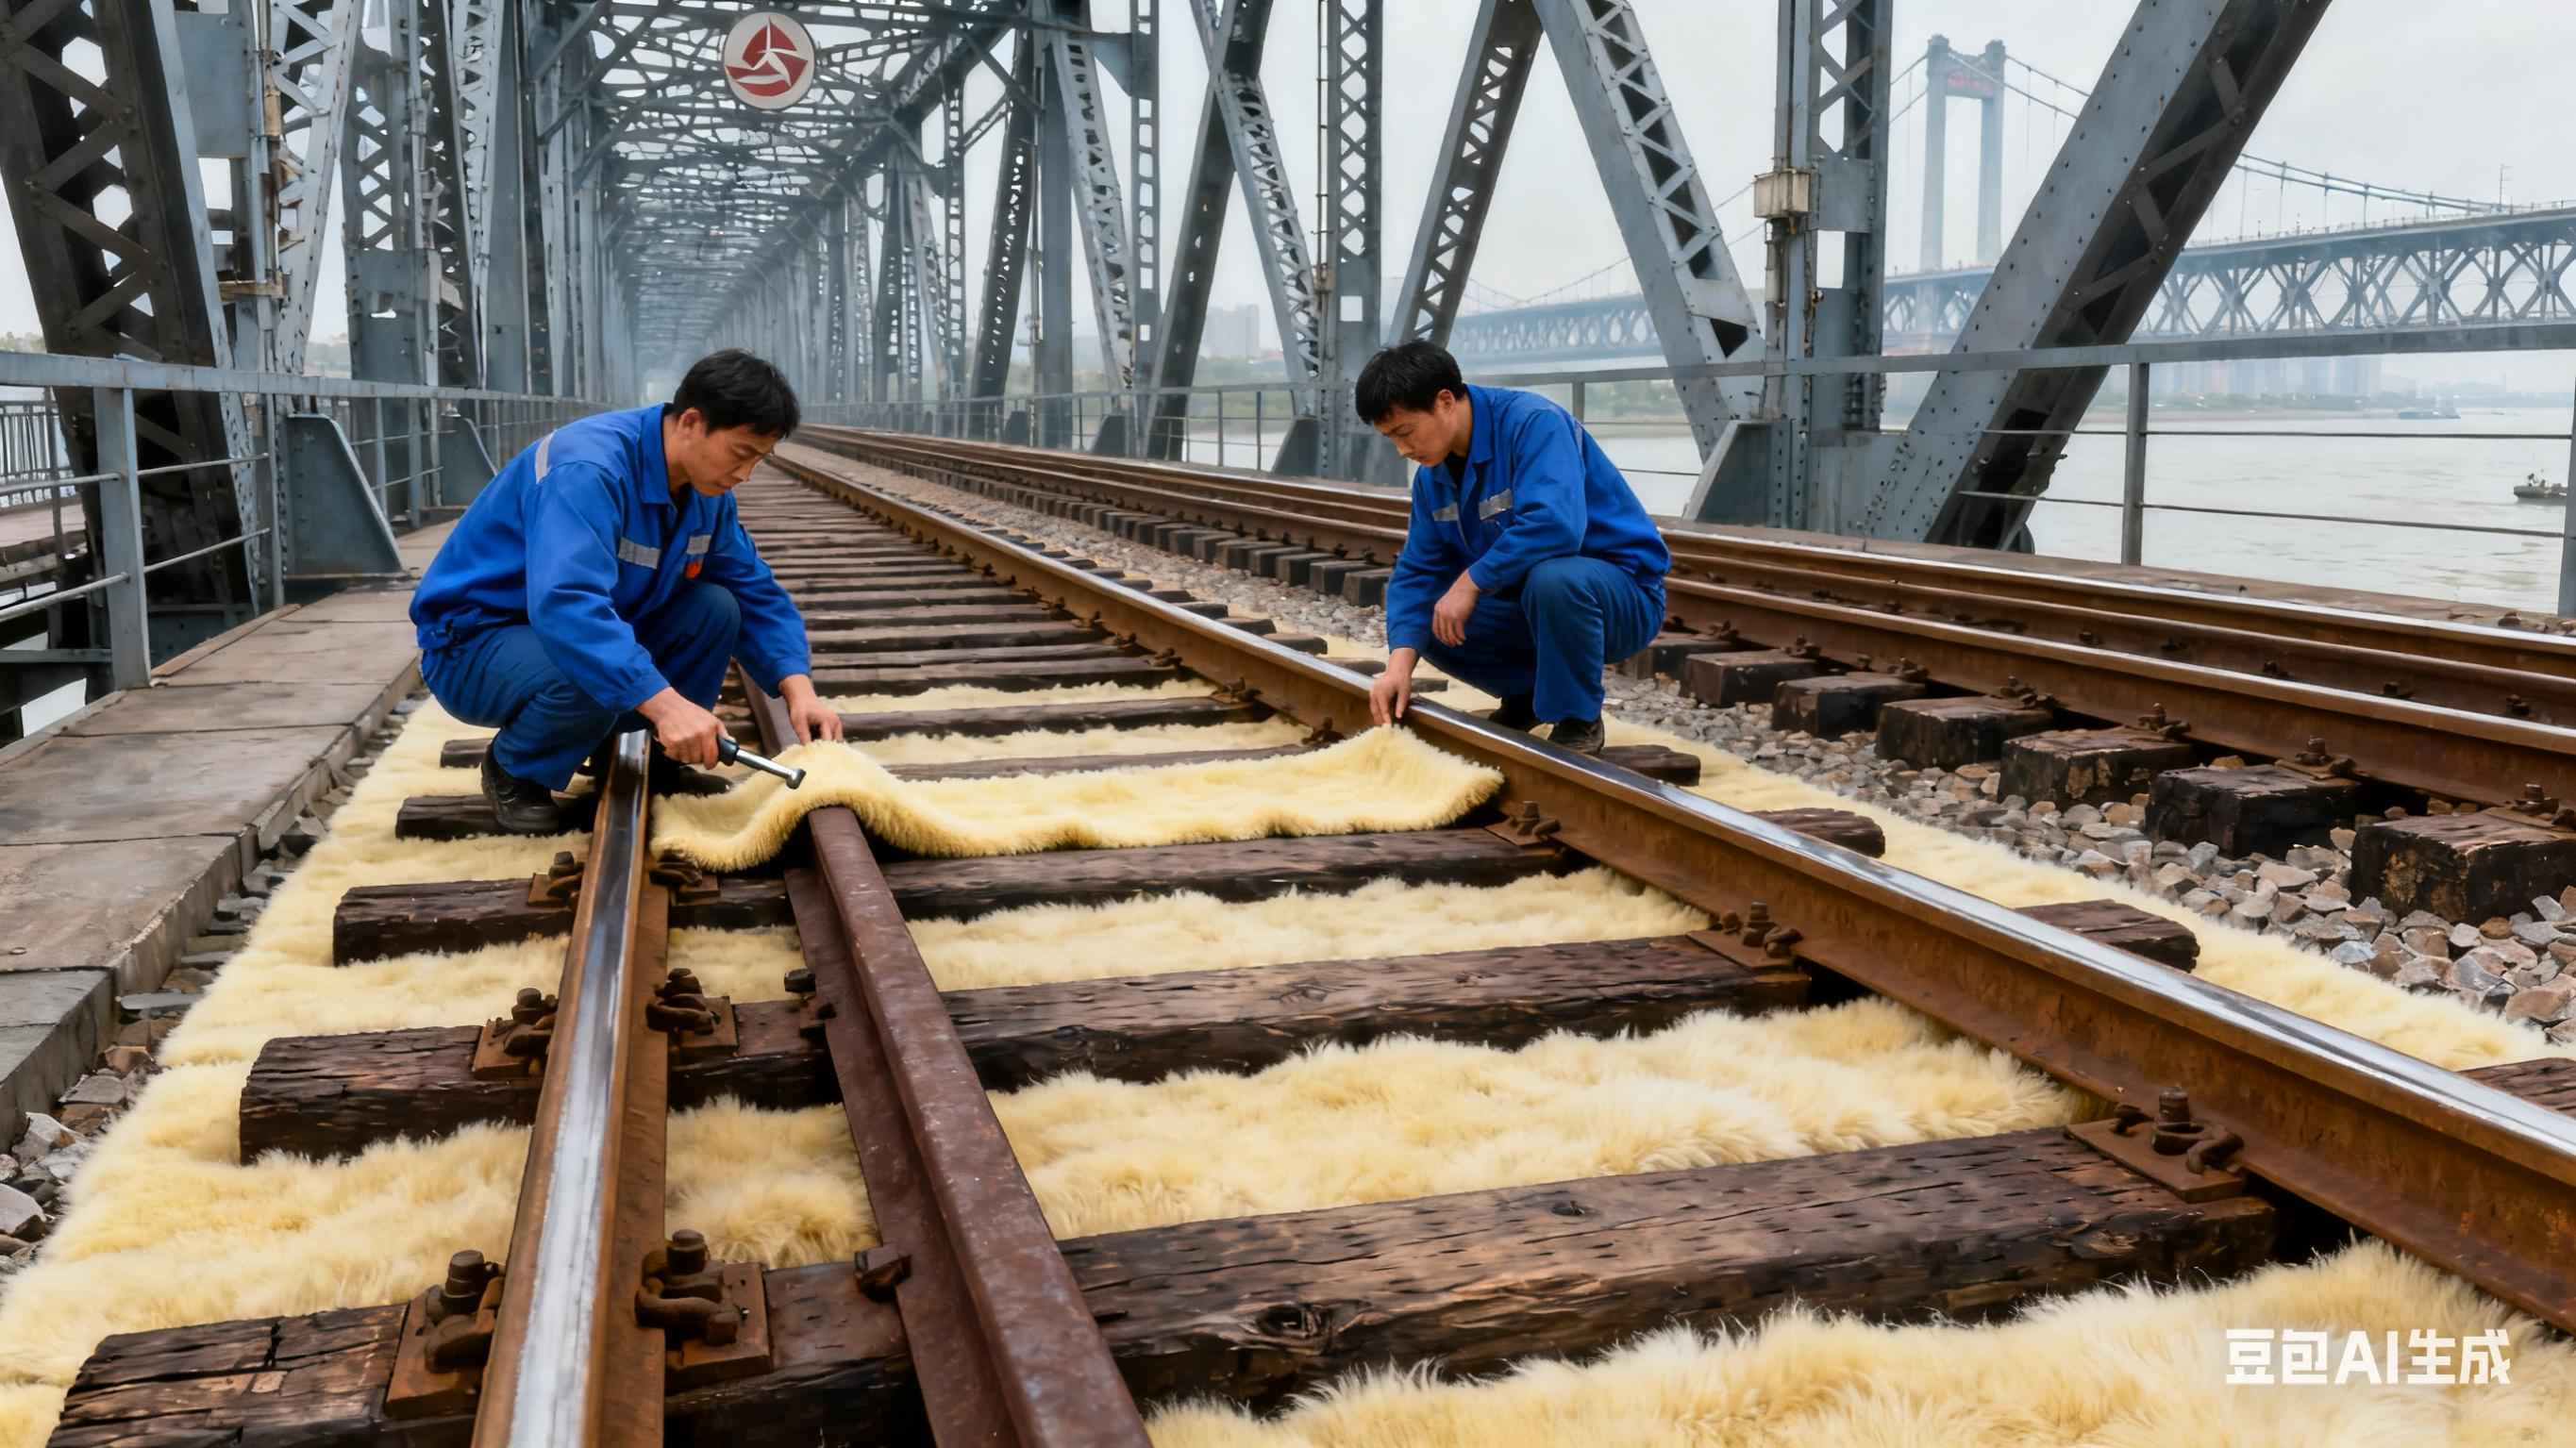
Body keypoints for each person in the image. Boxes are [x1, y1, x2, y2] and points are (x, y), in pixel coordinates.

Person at [410, 349, 845, 833]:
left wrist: (797, 689)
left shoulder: (706, 492)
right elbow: (568, 608)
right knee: (589, 668)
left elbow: (753, 590)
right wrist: (665, 703)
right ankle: (517, 769)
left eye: (759, 461)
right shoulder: (589, 471)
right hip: (475, 642)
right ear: (691, 423)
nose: (745, 474)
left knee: (716, 607)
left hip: (558, 633)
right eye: (741, 454)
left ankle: (664, 756)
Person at [1358, 341, 1668, 756]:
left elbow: (1557, 526)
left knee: (1553, 578)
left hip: (1618, 598)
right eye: (1391, 439)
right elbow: (1417, 572)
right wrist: (1397, 667)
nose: (1402, 450)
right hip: (1531, 606)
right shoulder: (1433, 476)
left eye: (1405, 432)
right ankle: (1527, 697)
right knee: (1425, 618)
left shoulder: (1533, 424)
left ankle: (1576, 717)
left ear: (1445, 401)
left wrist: (1471, 581)